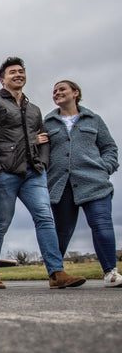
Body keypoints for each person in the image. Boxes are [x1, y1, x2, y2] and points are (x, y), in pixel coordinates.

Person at [0, 56, 86, 289]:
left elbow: (44, 139)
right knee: (1, 223)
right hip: (3, 173)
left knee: (45, 218)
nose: (18, 75)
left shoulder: (34, 109)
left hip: (33, 173)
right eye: (12, 72)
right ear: (2, 79)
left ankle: (56, 273)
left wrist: (43, 163)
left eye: (21, 71)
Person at [41, 80, 122, 287]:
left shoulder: (93, 119)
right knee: (62, 230)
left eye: (62, 89)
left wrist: (104, 168)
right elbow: (40, 153)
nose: (57, 93)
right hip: (61, 185)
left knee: (102, 225)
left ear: (75, 93)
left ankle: (111, 273)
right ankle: (55, 275)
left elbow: (110, 148)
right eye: (54, 91)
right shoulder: (47, 122)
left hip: (94, 183)